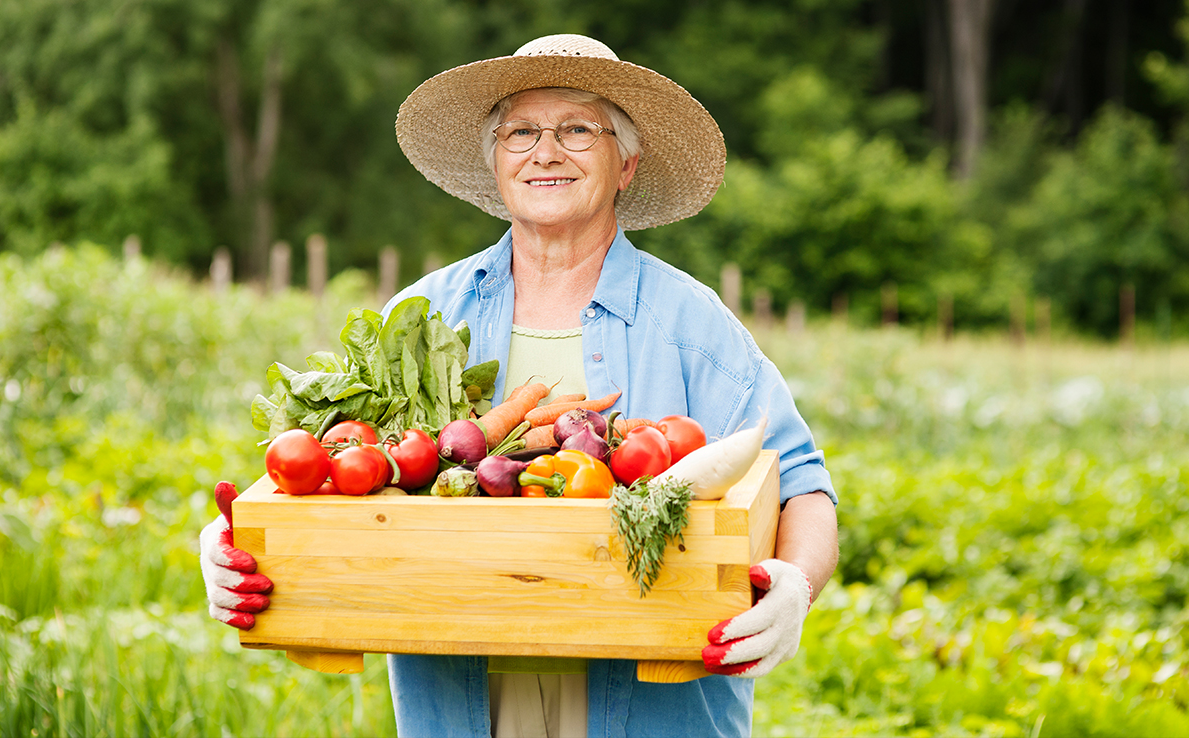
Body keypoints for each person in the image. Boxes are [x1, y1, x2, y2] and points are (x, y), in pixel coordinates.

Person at [200, 33, 838, 738]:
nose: (546, 152)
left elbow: (803, 486)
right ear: (496, 163)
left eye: (576, 130)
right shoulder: (426, 316)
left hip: (653, 709)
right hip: (463, 703)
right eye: (521, 132)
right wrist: (234, 544)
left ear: (626, 163)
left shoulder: (691, 324)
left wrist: (795, 586)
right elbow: (329, 469)